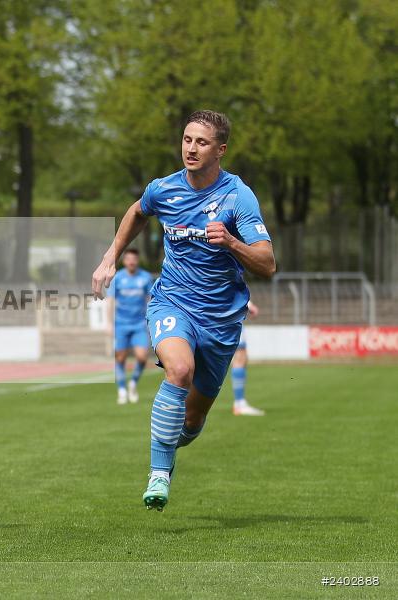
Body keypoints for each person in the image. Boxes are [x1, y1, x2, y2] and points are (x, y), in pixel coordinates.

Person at [92, 110, 275, 511]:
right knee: (178, 370)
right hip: (172, 300)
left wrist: (231, 242)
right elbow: (138, 211)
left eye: (202, 142)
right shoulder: (164, 188)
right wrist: (110, 257)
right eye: (187, 140)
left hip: (222, 320)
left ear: (220, 150)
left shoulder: (237, 196)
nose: (191, 149)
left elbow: (267, 263)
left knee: (189, 425)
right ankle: (158, 473)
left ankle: (176, 440)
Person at [109, 248, 153, 404]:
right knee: (120, 357)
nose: (131, 261)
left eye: (134, 259)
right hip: (121, 323)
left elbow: (150, 299)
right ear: (124, 261)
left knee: (142, 357)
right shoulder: (118, 278)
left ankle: (133, 383)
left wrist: (151, 320)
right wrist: (109, 325)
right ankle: (122, 390)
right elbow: (111, 302)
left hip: (139, 324)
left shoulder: (146, 277)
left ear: (137, 260)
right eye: (128, 259)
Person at [232, 300, 264, 416]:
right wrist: (249, 305)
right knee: (240, 357)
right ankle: (239, 403)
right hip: (229, 315)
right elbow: (231, 284)